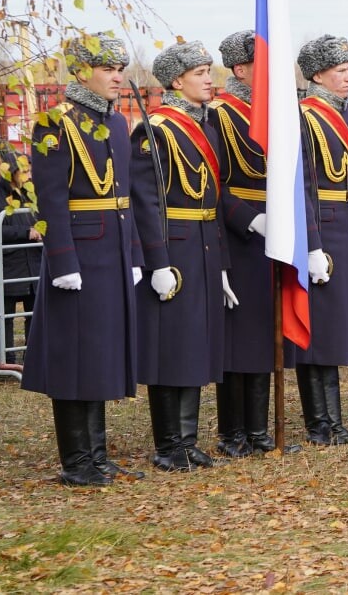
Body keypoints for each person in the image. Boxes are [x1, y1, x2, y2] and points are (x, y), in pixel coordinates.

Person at [21, 33, 143, 486]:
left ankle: (96, 454)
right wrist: (63, 260)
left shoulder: (114, 123)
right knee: (75, 355)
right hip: (77, 249)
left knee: (99, 354)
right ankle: (76, 461)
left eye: (120, 68)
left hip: (111, 248)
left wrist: (132, 253)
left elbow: (124, 196)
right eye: (108, 68)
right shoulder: (55, 122)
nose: (118, 77)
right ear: (81, 72)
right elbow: (50, 199)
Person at [132, 41, 237, 471]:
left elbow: (213, 200)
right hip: (173, 244)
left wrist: (224, 265)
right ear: (177, 81)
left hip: (204, 242)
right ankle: (168, 444)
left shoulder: (206, 126)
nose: (210, 79)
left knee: (195, 343)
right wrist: (156, 261)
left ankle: (188, 440)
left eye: (209, 71)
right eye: (200, 73)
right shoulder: (155, 129)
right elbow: (145, 199)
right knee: (170, 345)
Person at [209, 30, 295, 456]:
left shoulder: (275, 113)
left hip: (277, 230)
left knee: (265, 332)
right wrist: (249, 218)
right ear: (241, 69)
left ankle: (260, 431)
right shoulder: (219, 116)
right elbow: (214, 183)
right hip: (241, 233)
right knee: (239, 336)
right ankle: (233, 433)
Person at [296, 35, 348, 445]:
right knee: (319, 329)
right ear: (317, 75)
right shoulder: (303, 116)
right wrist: (311, 245)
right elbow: (304, 187)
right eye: (339, 71)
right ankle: (320, 423)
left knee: (338, 326)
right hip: (323, 226)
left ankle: (334, 419)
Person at [0, 152, 42, 365]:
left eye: (29, 170)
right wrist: (26, 232)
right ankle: (5, 358)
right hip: (8, 265)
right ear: (11, 173)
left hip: (33, 262)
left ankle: (33, 358)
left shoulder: (32, 194)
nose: (29, 175)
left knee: (34, 313)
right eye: (24, 171)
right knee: (4, 315)